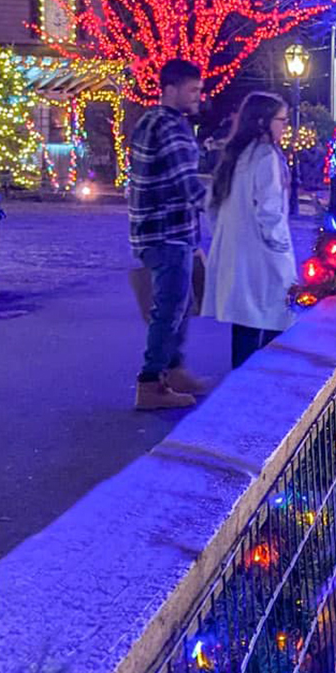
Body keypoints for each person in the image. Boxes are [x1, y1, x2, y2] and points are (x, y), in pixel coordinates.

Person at [128, 58, 213, 410]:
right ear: (170, 89)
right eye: (192, 90)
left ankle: (174, 369)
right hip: (166, 231)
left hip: (161, 229)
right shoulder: (171, 127)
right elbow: (186, 183)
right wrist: (221, 206)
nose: (199, 96)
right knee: (171, 307)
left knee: (177, 304)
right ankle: (151, 383)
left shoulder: (152, 120)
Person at [206, 92, 297, 368]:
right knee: (276, 321)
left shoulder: (234, 155)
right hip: (263, 259)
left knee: (244, 327)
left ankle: (239, 388)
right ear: (262, 122)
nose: (284, 127)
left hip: (236, 256)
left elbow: (212, 205)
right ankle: (262, 391)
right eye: (281, 120)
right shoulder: (266, 156)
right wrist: (281, 250)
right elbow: (270, 211)